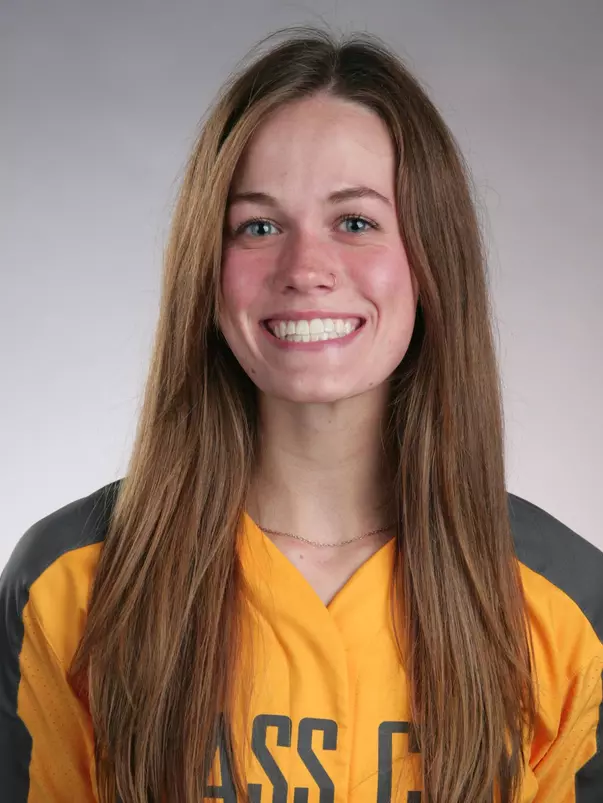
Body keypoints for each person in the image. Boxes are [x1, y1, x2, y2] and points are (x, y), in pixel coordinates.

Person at [1, 25, 601, 803]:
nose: (305, 269)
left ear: (429, 256)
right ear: (205, 270)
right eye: (257, 226)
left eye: (354, 222)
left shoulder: (566, 603)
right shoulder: (69, 581)